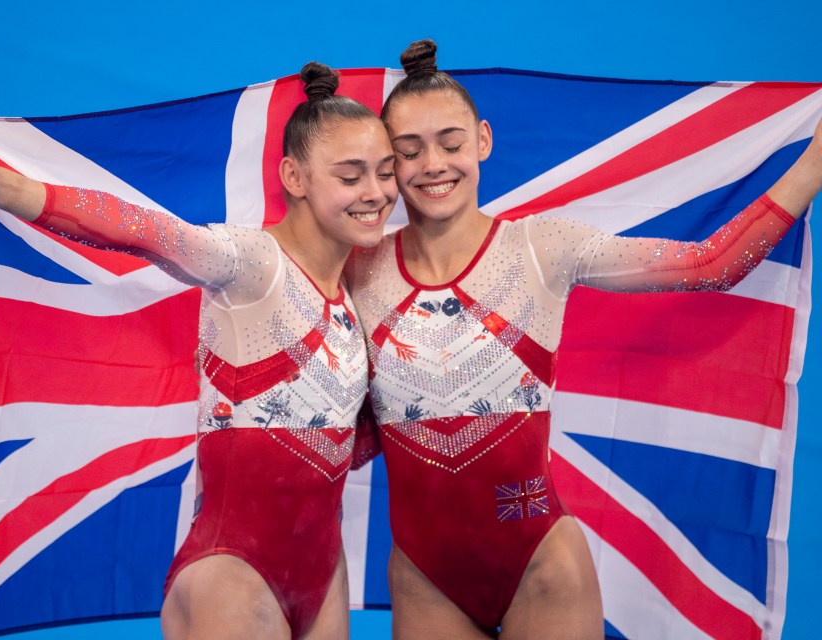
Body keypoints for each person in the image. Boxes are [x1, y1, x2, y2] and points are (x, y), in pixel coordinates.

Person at [344, 40, 822, 640]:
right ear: (390, 165)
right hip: (423, 577)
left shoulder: (542, 249)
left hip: (540, 568)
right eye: (408, 152)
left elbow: (711, 265)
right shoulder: (358, 272)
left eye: (452, 143)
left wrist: (813, 164)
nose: (433, 164)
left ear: (484, 141)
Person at [0, 62, 397, 640]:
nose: (376, 193)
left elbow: (338, 440)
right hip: (232, 572)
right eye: (351, 176)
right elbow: (142, 231)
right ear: (294, 177)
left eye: (386, 172)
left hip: (323, 574)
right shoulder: (252, 263)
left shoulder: (350, 302)